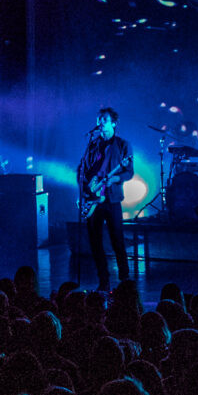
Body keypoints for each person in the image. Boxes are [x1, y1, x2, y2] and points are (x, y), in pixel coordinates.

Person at [78, 107, 135, 291]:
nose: (100, 122)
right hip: (93, 199)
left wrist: (115, 178)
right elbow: (82, 170)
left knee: (117, 240)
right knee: (95, 242)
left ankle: (125, 280)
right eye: (99, 119)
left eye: (104, 119)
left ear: (113, 123)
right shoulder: (92, 145)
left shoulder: (122, 145)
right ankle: (103, 281)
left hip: (112, 199)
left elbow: (129, 172)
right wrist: (84, 191)